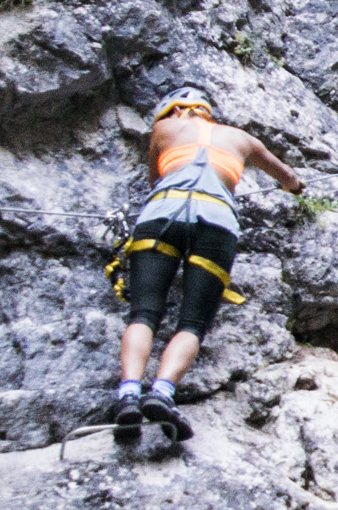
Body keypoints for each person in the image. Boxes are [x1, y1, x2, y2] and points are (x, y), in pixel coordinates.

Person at [109, 88, 300, 447]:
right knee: (193, 322)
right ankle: (162, 393)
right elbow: (288, 178)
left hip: (162, 214)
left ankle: (129, 395)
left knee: (144, 314)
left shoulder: (164, 131)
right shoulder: (240, 138)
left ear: (173, 111)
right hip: (216, 221)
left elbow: (156, 178)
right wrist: (296, 186)